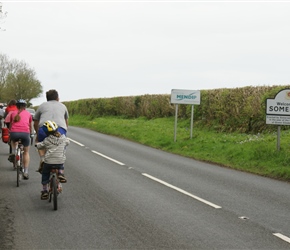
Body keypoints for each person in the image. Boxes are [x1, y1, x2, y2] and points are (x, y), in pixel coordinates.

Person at [33, 89, 69, 181]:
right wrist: (64, 132)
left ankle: (42, 159)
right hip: (60, 129)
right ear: (57, 98)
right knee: (61, 147)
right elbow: (66, 122)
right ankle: (60, 171)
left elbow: (35, 122)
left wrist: (38, 133)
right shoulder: (63, 106)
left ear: (47, 98)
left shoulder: (42, 106)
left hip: (44, 129)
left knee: (39, 143)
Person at [35, 120, 70, 200]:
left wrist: (37, 145)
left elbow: (40, 146)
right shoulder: (63, 138)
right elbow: (68, 142)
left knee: (45, 173)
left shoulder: (47, 140)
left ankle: (45, 190)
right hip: (60, 161)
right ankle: (60, 173)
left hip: (49, 162)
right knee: (61, 163)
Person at [8, 99, 34, 179]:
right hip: (25, 134)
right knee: (26, 152)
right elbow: (30, 126)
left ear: (16, 106)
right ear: (25, 107)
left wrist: (10, 132)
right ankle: (25, 172)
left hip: (14, 133)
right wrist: (32, 134)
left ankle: (13, 152)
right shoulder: (28, 114)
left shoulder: (12, 113)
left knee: (12, 140)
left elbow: (10, 125)